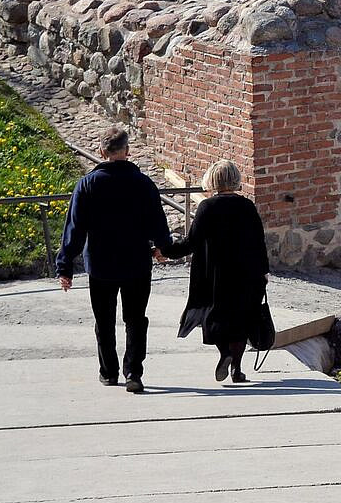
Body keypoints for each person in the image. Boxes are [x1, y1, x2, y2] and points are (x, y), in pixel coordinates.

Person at [55, 127, 173, 394]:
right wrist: (162, 247)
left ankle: (108, 372)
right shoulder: (143, 184)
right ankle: (134, 372)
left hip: (100, 264)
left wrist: (65, 267)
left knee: (104, 321)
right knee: (135, 319)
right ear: (127, 151)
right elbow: (157, 222)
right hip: (137, 263)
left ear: (101, 152)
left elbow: (74, 229)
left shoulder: (87, 185)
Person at [165, 159, 270, 383]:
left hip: (215, 275)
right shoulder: (247, 206)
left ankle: (225, 354)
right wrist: (264, 271)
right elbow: (259, 242)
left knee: (217, 318)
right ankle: (237, 369)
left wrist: (167, 251)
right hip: (247, 273)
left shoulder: (207, 207)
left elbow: (191, 243)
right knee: (241, 321)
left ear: (212, 180)